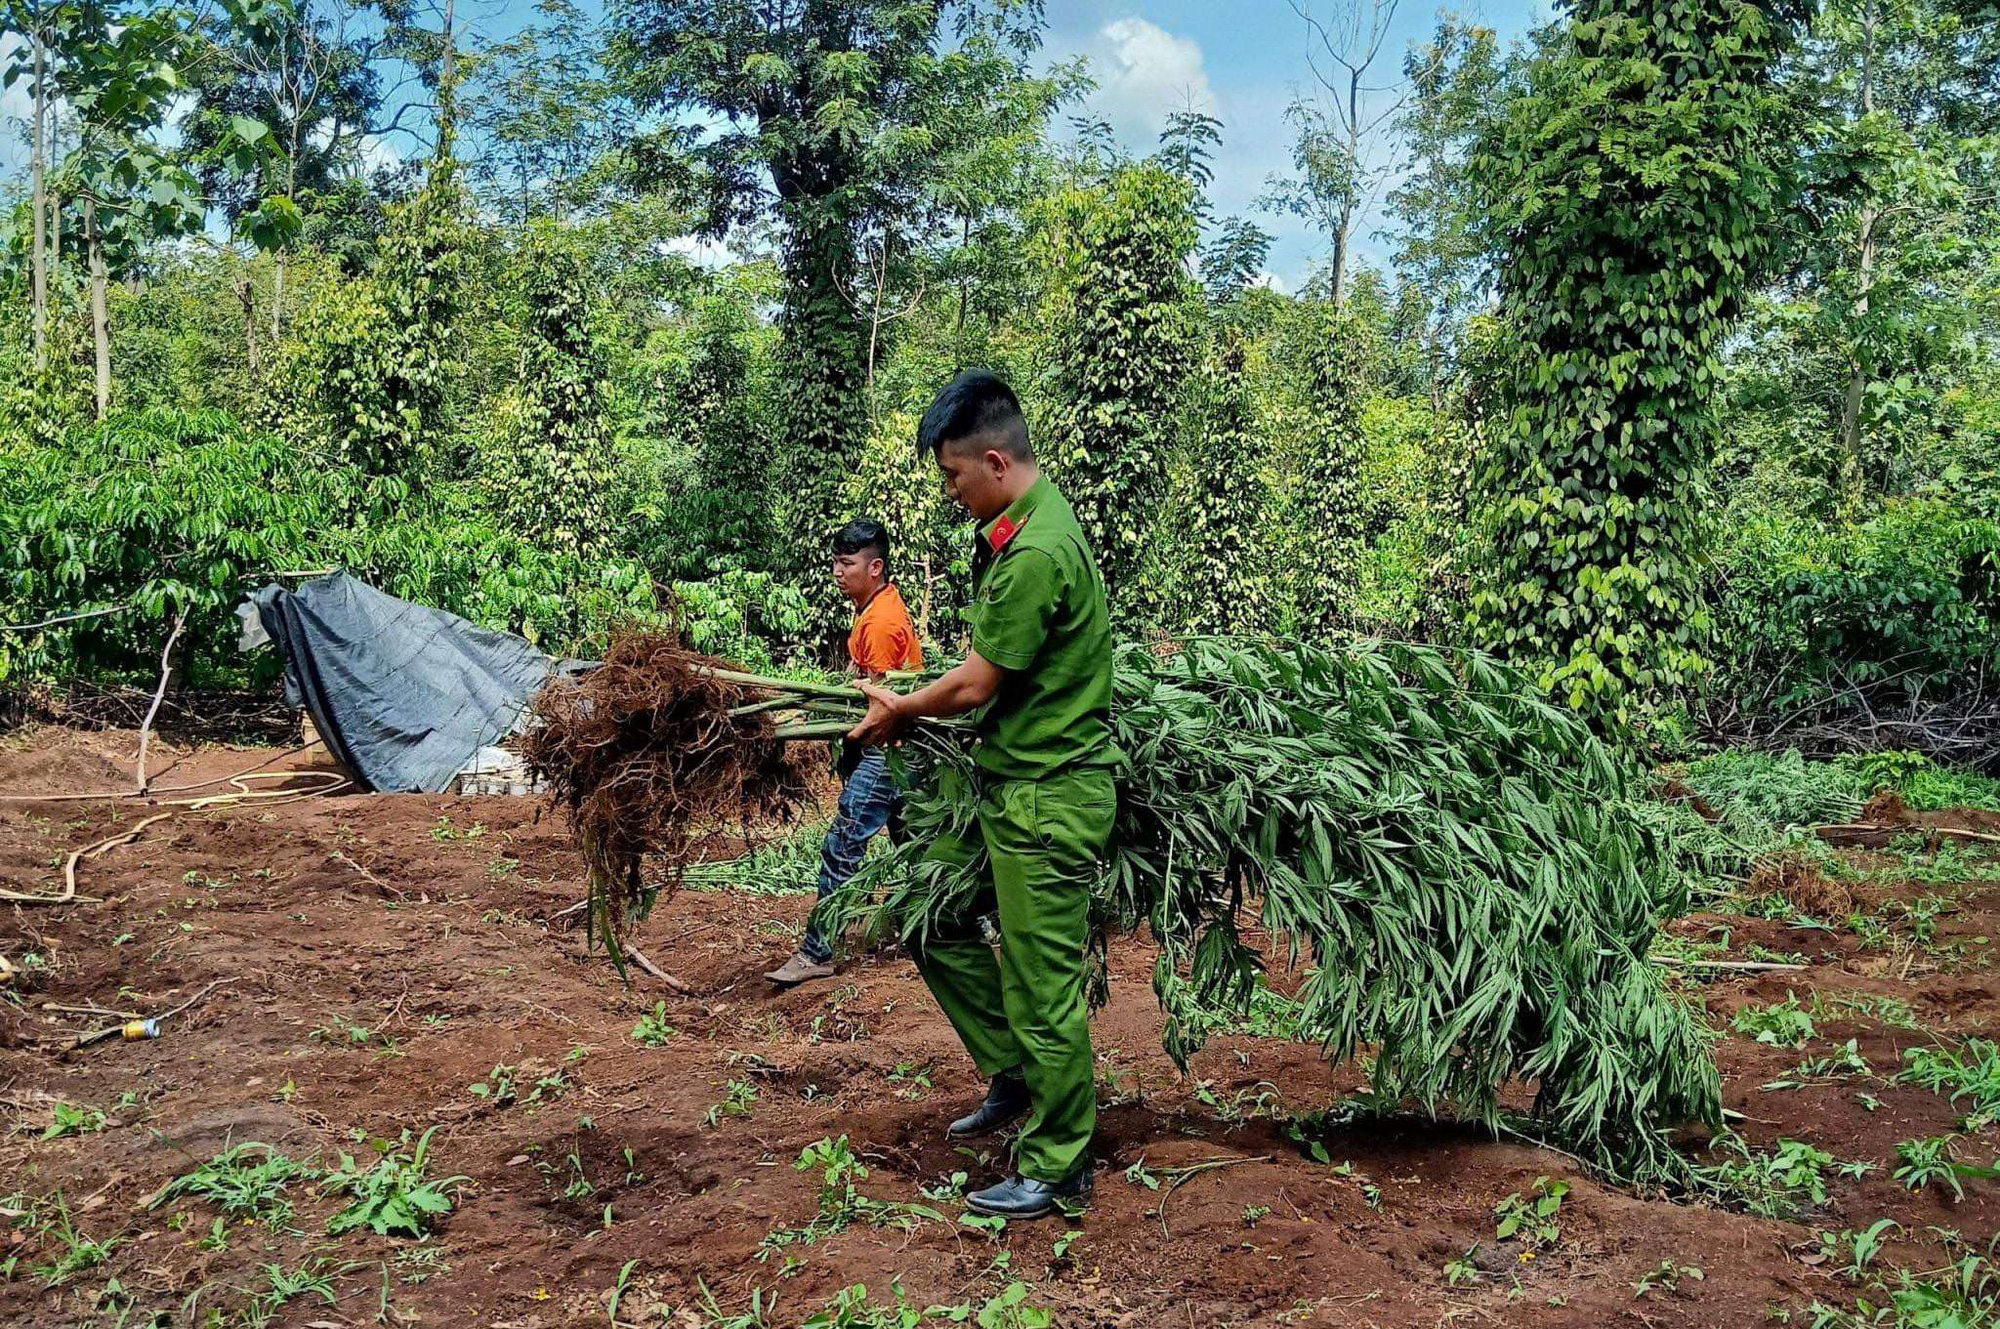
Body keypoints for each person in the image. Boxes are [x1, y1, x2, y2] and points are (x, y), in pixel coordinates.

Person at [847, 371, 1118, 1220]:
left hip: (1047, 800)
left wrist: (902, 704)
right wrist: (915, 694)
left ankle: (1059, 1161)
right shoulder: (1020, 527)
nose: (952, 493)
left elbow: (974, 686)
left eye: (955, 477)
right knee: (931, 916)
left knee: (1044, 987)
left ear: (994, 460)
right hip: (1004, 790)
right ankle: (1015, 1075)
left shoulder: (1037, 550)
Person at [765, 519, 924, 986]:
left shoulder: (879, 621)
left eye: (846, 563)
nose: (836, 570)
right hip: (901, 751)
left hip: (887, 752)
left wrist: (845, 737)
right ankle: (970, 924)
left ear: (874, 567)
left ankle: (818, 953)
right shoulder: (877, 607)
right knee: (917, 846)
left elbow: (881, 709)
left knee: (842, 845)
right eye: (835, 561)